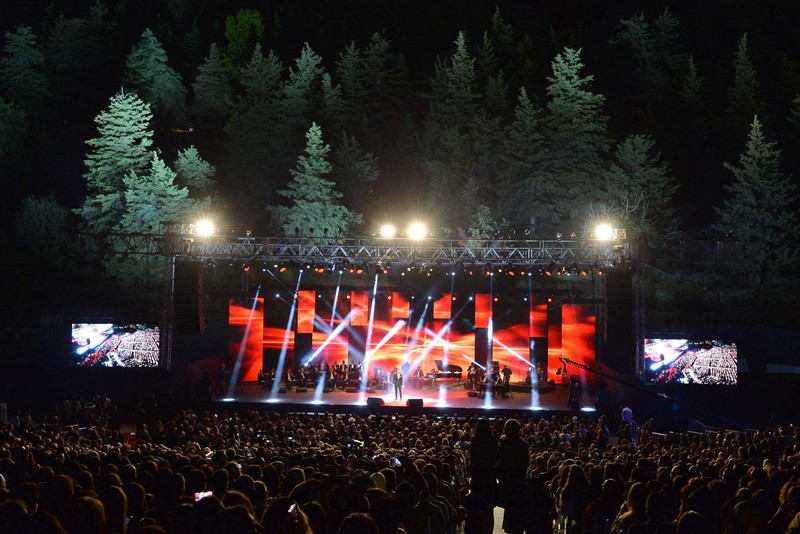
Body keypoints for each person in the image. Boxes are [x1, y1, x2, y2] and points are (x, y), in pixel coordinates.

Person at [465, 418, 498, 534]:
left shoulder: (474, 441)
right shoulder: (493, 441)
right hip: (489, 477)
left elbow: (472, 460)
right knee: (489, 509)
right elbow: (495, 459)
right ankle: (489, 531)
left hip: (478, 477)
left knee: (479, 508)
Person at [496, 418, 529, 534]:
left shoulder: (504, 444)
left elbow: (500, 464)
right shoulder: (524, 445)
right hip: (519, 483)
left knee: (510, 511)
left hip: (508, 483)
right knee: (517, 512)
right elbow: (525, 463)